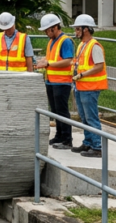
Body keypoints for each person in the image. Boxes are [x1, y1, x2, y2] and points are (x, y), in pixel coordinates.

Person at [34, 13, 75, 149]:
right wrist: (43, 62)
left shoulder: (65, 41)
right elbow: (50, 59)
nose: (46, 33)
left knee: (62, 111)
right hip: (51, 81)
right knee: (55, 110)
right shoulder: (51, 41)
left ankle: (67, 139)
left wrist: (48, 63)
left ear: (55, 27)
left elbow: (68, 61)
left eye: (47, 30)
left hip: (62, 82)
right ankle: (59, 135)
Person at [71, 14, 107, 158]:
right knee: (84, 118)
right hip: (81, 87)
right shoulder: (82, 45)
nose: (75, 32)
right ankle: (88, 142)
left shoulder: (94, 46)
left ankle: (97, 147)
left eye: (77, 29)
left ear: (86, 29)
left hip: (90, 88)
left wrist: (82, 75)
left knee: (91, 118)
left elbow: (99, 66)